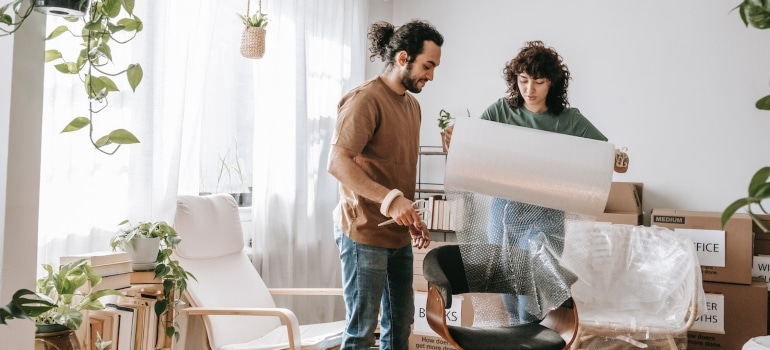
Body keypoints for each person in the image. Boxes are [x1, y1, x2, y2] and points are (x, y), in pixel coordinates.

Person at [442, 40, 629, 324]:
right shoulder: (501, 112)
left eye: (538, 82)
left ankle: (527, 337)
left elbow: (603, 155)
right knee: (507, 277)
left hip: (547, 211)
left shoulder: (568, 120)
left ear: (552, 83)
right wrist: (453, 140)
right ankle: (517, 336)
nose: (529, 90)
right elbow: (472, 152)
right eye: (523, 80)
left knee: (535, 282)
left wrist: (618, 158)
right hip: (504, 210)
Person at [327, 19, 443, 350]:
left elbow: (394, 169)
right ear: (403, 58)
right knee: (362, 332)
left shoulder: (413, 107)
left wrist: (411, 217)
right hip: (363, 233)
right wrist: (391, 200)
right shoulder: (365, 100)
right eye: (428, 65)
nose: (431, 75)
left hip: (396, 236)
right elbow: (337, 162)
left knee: (400, 326)